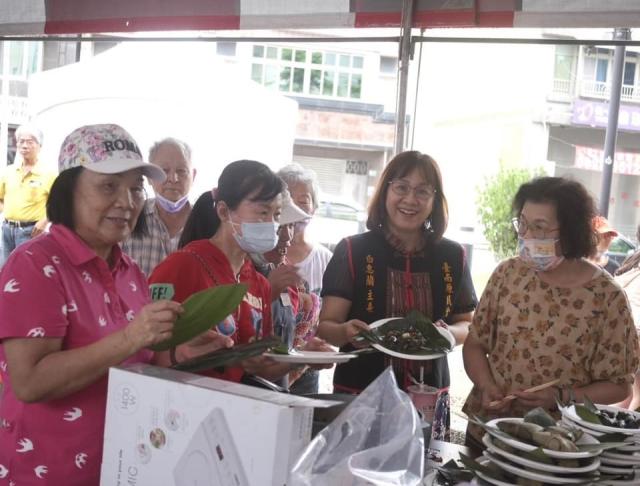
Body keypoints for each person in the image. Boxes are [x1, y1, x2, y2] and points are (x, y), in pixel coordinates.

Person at [0, 124, 222, 485]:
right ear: (69, 190)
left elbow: (136, 358)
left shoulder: (128, 270)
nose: (127, 201)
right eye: (108, 186)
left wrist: (181, 352)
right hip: (46, 471)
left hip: (117, 468)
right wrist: (132, 337)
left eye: (136, 188)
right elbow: (29, 381)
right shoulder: (36, 264)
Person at [462, 176, 640, 452]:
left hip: (557, 449)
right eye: (522, 223)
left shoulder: (607, 297)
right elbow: (475, 344)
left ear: (570, 232)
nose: (527, 235)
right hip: (488, 432)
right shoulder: (508, 274)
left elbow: (619, 386)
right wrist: (485, 385)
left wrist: (561, 397)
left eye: (540, 228)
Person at [318, 151, 477, 436]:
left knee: (422, 473)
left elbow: (467, 324)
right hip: (361, 393)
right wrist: (345, 332)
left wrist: (448, 334)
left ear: (434, 200)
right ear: (385, 191)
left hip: (428, 396)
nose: (410, 200)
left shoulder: (452, 256)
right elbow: (327, 326)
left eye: (422, 191)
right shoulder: (354, 250)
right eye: (401, 187)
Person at [149, 160, 330, 383]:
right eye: (262, 212)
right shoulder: (183, 266)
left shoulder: (258, 283)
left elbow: (261, 366)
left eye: (276, 215)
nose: (271, 225)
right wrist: (181, 354)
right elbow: (146, 349)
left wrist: (305, 355)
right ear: (224, 211)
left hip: (230, 407)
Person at [121, 137, 196, 276]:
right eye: (165, 170)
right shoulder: (130, 216)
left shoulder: (205, 221)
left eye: (181, 171)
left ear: (194, 176)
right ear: (149, 177)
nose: (173, 178)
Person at [0, 124, 56, 265]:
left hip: (30, 232)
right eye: (21, 141)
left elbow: (59, 203)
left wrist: (44, 221)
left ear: (39, 146)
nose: (24, 146)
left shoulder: (48, 174)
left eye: (30, 142)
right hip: (7, 230)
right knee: (5, 270)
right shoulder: (8, 172)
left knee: (27, 271)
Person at [276, 163, 333, 296]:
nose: (294, 208)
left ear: (314, 208)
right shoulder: (261, 254)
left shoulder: (326, 259)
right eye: (287, 200)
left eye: (303, 201)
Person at [614, 223, 640, 410]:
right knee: (630, 396)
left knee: (629, 396)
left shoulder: (632, 262)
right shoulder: (633, 261)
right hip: (628, 334)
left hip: (626, 334)